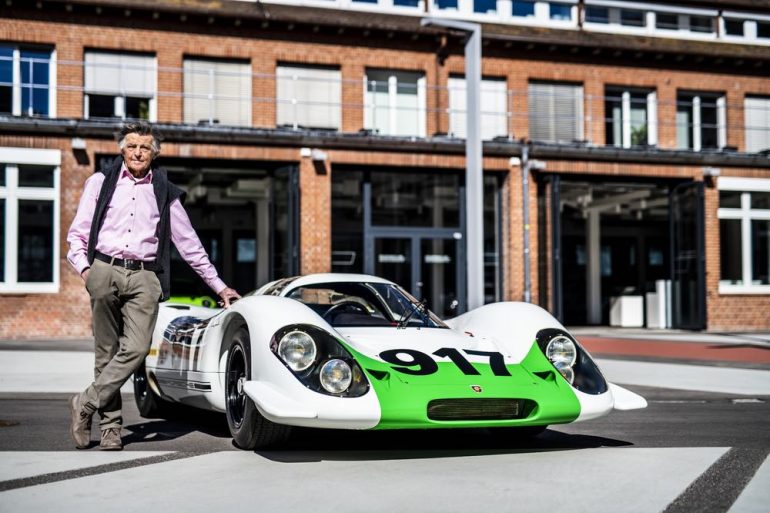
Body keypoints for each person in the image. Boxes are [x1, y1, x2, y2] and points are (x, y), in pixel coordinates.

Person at [66, 121, 240, 450]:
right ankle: (111, 429)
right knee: (106, 352)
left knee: (137, 350)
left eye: (144, 147)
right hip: (104, 268)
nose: (137, 152)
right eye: (132, 146)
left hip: (145, 276)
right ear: (122, 149)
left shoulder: (164, 190)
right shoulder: (100, 182)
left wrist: (219, 287)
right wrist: (87, 272)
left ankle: (85, 402)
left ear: (154, 153)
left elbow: (189, 245)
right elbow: (78, 232)